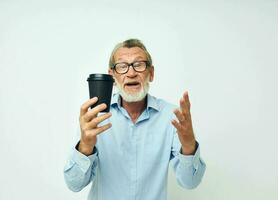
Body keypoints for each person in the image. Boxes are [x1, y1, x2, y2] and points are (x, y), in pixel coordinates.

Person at [63, 39, 206, 200]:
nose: (131, 73)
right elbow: (74, 184)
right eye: (122, 66)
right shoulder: (95, 118)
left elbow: (190, 182)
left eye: (139, 65)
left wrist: (188, 145)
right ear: (112, 77)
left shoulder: (172, 116)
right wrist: (85, 147)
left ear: (151, 73)